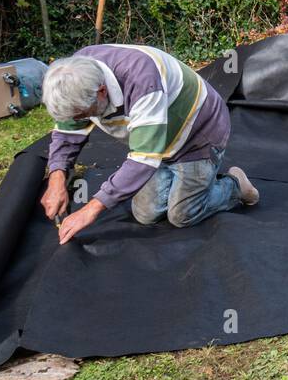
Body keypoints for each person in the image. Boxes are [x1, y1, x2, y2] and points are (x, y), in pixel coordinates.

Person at [39, 43, 259, 244]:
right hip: (158, 141)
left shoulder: (141, 80)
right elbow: (68, 133)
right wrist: (57, 180)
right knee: (146, 214)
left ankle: (235, 186)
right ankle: (182, 178)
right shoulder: (74, 76)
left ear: (102, 91)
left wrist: (91, 209)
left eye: (82, 115)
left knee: (181, 214)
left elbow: (143, 159)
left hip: (198, 135)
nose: (79, 121)